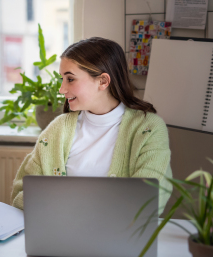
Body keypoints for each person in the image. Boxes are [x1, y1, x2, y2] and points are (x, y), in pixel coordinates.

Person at [11, 37, 172, 214]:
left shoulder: (149, 129)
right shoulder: (57, 129)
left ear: (103, 81)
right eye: (62, 79)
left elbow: (148, 200)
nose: (62, 89)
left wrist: (61, 202)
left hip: (121, 237)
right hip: (58, 234)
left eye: (70, 79)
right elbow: (21, 195)